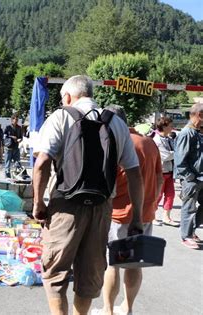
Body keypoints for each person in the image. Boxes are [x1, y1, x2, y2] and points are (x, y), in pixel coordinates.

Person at [32, 75, 144, 315]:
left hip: (65, 206)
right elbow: (134, 173)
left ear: (68, 96)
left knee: (55, 273)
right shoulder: (116, 123)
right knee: (90, 276)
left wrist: (38, 203)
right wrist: (137, 217)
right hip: (102, 207)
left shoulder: (61, 116)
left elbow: (42, 163)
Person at [97, 105, 163, 315]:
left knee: (113, 264)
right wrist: (151, 203)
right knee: (134, 263)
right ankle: (128, 308)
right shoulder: (149, 143)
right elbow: (160, 178)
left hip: (119, 213)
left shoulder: (115, 143)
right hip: (145, 213)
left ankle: (108, 310)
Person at [174, 103, 203, 249]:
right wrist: (190, 177)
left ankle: (191, 231)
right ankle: (186, 236)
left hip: (200, 178)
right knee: (189, 207)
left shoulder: (197, 132)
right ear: (200, 115)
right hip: (192, 179)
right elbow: (180, 160)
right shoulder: (187, 133)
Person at [153, 116, 178, 227]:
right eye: (170, 125)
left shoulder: (169, 139)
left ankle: (166, 217)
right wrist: (178, 153)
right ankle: (152, 215)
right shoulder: (157, 140)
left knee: (170, 195)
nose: (172, 127)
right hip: (160, 171)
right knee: (157, 195)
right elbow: (165, 156)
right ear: (164, 126)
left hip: (170, 171)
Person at [3, 113, 23, 178]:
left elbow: (21, 136)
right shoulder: (8, 127)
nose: (16, 121)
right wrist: (12, 137)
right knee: (7, 164)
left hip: (16, 147)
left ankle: (16, 175)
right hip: (8, 148)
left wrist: (20, 139)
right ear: (12, 120)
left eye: (17, 119)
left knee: (17, 163)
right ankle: (7, 177)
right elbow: (4, 136)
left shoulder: (19, 127)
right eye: (15, 119)